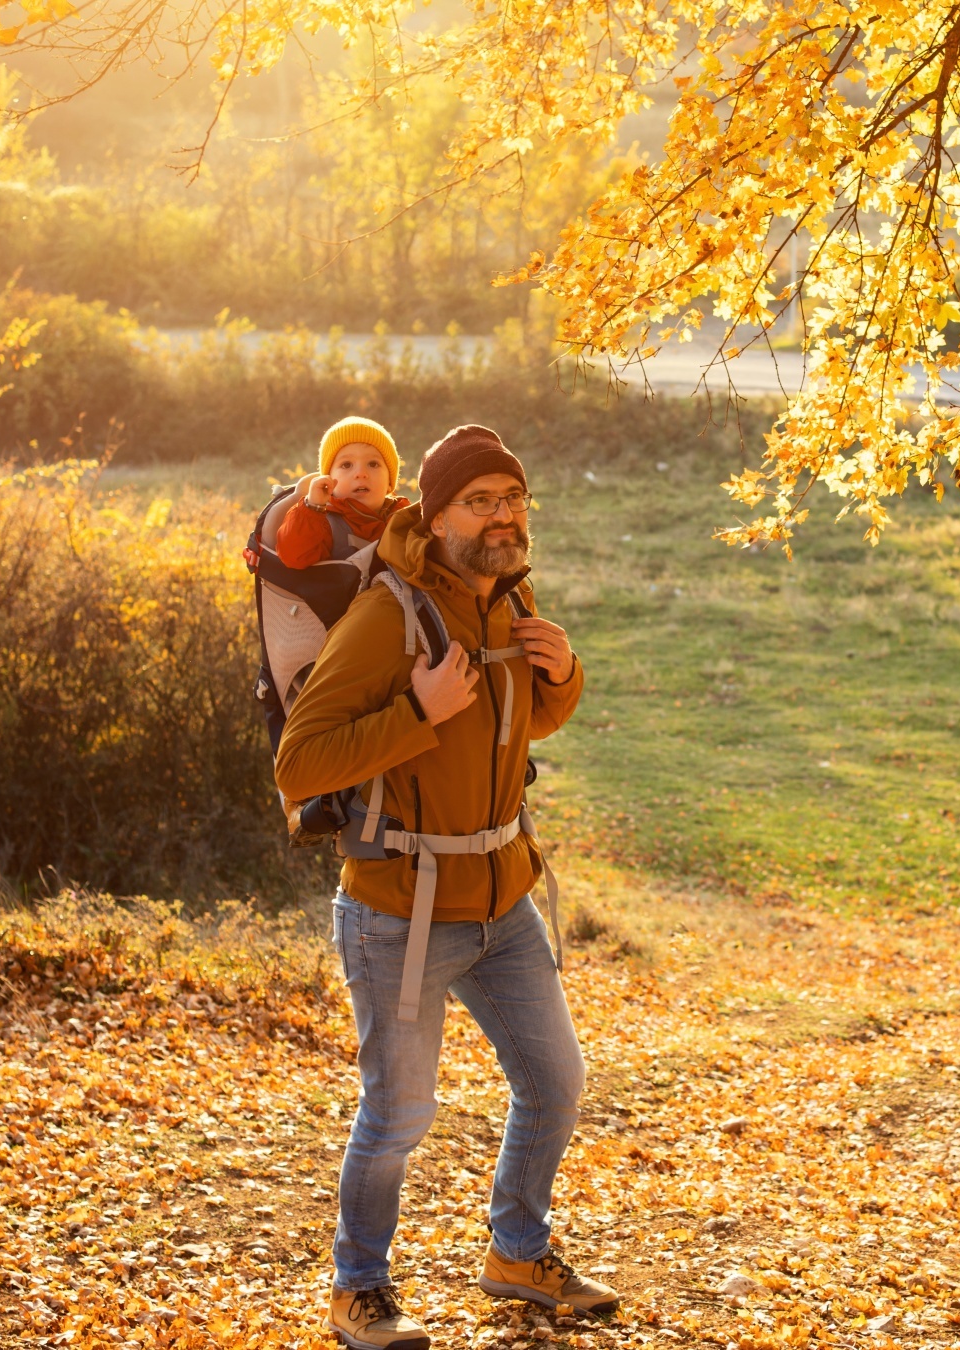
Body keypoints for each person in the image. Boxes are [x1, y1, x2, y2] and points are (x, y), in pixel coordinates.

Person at [276, 424, 612, 1350]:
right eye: (481, 501)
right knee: (398, 1116)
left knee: (556, 1084)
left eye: (514, 499)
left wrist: (564, 671)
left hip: (502, 898)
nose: (504, 516)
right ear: (435, 512)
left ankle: (516, 1251)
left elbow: (526, 720)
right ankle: (360, 1288)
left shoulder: (510, 599)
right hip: (399, 910)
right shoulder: (390, 614)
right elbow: (298, 765)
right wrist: (415, 713)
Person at [281, 416, 411, 568]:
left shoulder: (403, 518)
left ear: (389, 483)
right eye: (347, 465)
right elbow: (295, 557)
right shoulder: (322, 522)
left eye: (373, 464)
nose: (361, 473)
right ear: (329, 480)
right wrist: (312, 507)